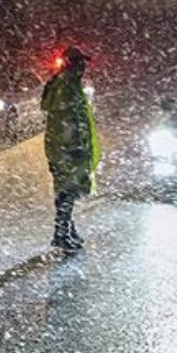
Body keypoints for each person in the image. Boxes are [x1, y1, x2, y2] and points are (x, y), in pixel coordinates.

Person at [41, 46, 101, 251]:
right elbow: (67, 120)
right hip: (68, 150)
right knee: (68, 191)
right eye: (79, 62)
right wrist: (75, 145)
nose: (83, 67)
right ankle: (62, 233)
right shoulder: (66, 86)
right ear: (70, 64)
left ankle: (67, 230)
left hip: (62, 149)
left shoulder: (65, 83)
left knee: (67, 190)